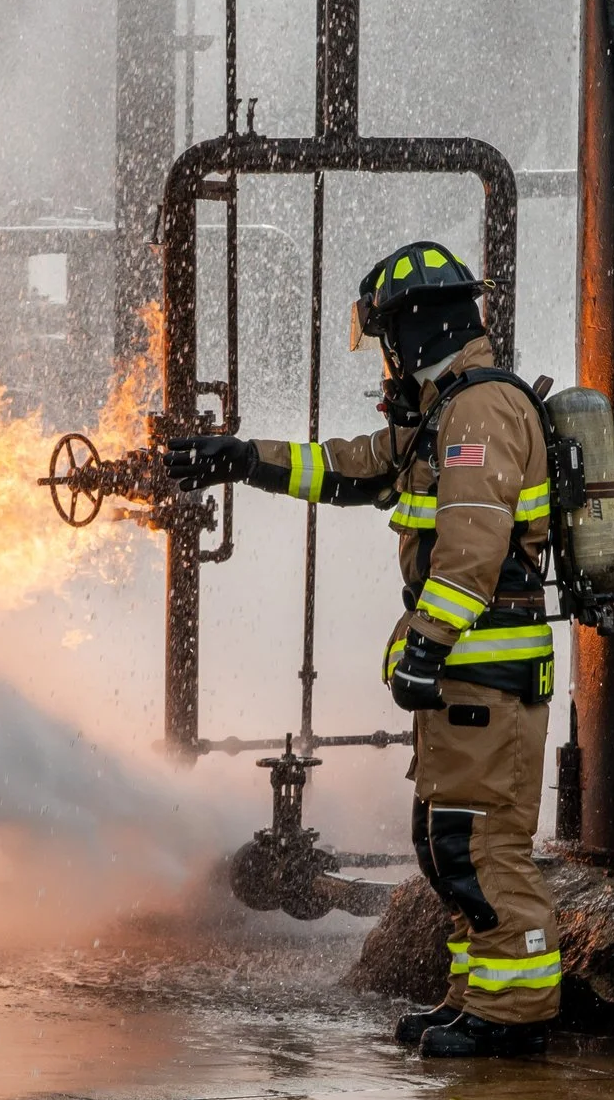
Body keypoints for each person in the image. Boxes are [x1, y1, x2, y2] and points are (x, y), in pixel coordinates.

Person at [167, 241, 560, 1058]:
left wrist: (424, 644)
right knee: (445, 841)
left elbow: (471, 550)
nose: (385, 360)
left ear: (414, 330)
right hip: (467, 677)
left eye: (386, 338)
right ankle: (474, 998)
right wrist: (243, 460)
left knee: (482, 846)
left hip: (486, 673)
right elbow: (349, 468)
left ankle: (515, 1014)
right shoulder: (444, 413)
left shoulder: (480, 413)